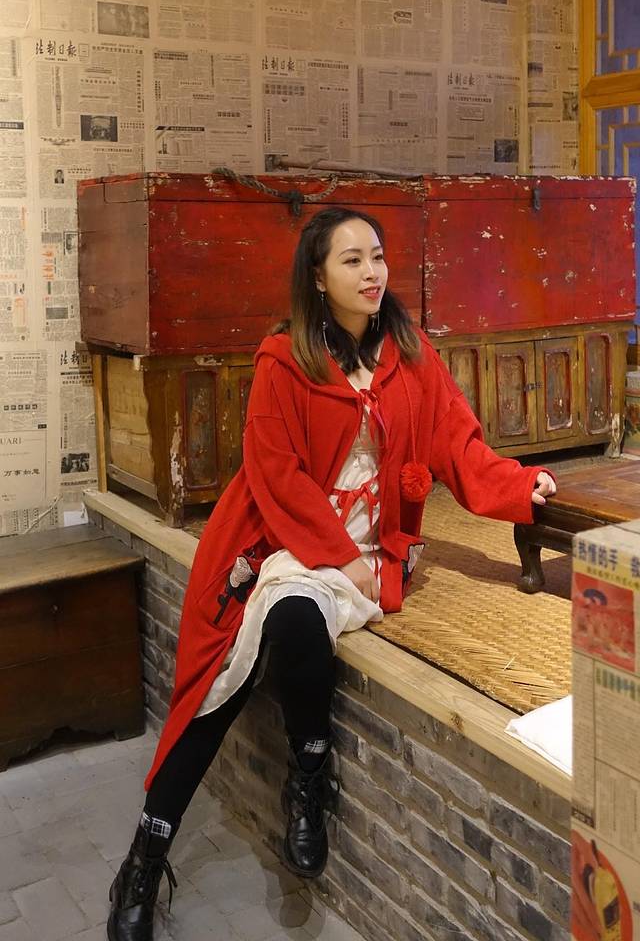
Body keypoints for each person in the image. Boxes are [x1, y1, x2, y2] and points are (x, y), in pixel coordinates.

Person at [107, 206, 556, 941]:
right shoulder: (284, 359)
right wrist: (335, 554)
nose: (372, 272)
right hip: (289, 542)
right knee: (230, 670)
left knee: (280, 639)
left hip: (374, 551)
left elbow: (459, 443)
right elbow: (275, 472)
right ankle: (149, 858)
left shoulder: (409, 352)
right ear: (317, 278)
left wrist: (517, 486)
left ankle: (306, 780)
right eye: (352, 260)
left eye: (377, 256)